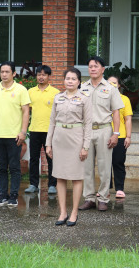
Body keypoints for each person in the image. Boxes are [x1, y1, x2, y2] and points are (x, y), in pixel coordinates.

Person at [46, 68, 92, 226]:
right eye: (67, 78)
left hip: (76, 139)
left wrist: (85, 146)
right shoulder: (58, 98)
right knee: (60, 176)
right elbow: (52, 121)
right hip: (59, 139)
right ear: (63, 80)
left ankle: (74, 213)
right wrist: (48, 143)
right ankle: (63, 212)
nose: (70, 81)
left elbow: (88, 124)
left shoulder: (84, 99)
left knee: (76, 177)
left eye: (73, 79)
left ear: (79, 82)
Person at [78, 56, 124, 211]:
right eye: (90, 66)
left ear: (103, 69)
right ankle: (89, 198)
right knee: (86, 166)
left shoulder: (111, 88)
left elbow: (116, 112)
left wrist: (116, 133)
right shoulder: (82, 88)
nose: (92, 69)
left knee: (104, 166)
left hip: (104, 129)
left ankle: (103, 198)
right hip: (87, 130)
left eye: (96, 66)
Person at [0, 61, 31, 207]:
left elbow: (26, 111)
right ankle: (2, 195)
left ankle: (13, 195)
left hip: (15, 136)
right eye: (2, 72)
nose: (4, 74)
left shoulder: (21, 89)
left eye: (7, 72)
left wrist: (23, 131)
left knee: (14, 167)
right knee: (1, 166)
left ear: (14, 74)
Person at [25, 65, 60, 195]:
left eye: (44, 75)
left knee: (51, 158)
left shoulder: (55, 92)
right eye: (39, 74)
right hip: (34, 129)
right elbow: (26, 111)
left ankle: (52, 185)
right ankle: (33, 184)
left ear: (48, 76)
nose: (41, 77)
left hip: (50, 131)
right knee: (34, 158)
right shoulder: (30, 92)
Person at [108, 75, 133, 199]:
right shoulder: (103, 98)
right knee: (105, 163)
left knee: (118, 162)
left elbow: (128, 119)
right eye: (109, 83)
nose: (111, 85)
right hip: (105, 135)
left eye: (114, 83)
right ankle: (105, 189)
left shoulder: (125, 99)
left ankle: (119, 189)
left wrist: (128, 136)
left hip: (121, 135)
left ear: (118, 85)